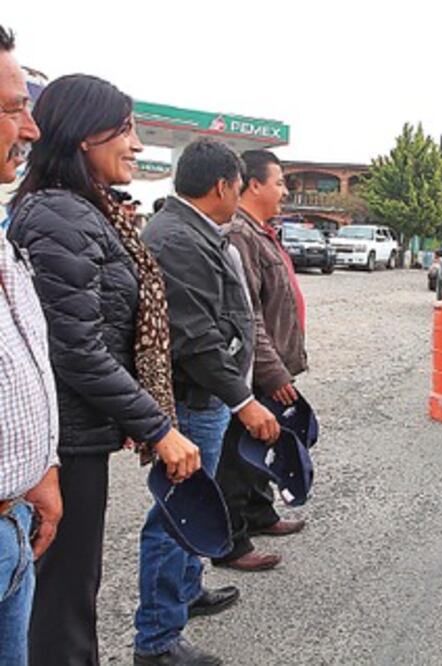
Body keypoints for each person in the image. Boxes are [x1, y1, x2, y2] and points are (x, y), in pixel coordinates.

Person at [7, 71, 202, 665]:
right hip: (64, 442)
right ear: (82, 137)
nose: (138, 145)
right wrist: (158, 427)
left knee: (69, 595)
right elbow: (79, 349)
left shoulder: (90, 212)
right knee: (61, 608)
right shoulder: (61, 216)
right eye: (124, 130)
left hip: (78, 437)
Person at [134, 138, 280, 665]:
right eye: (239, 187)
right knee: (176, 518)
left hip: (206, 398)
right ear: (222, 186)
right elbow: (195, 338)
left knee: (194, 513)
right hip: (195, 400)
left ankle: (185, 590)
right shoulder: (177, 239)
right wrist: (244, 401)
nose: (239, 196)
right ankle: (156, 642)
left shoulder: (196, 231)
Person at [214, 150, 307, 571]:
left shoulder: (261, 232)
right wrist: (272, 372)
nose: (284, 191)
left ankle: (258, 512)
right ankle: (231, 541)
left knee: (261, 447)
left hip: (268, 368)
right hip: (252, 371)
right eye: (280, 182)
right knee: (236, 455)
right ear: (253, 185)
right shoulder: (240, 236)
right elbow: (248, 314)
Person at [0, 25, 61, 666]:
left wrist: (38, 469)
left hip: (15, 521)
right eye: (15, 109)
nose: (31, 130)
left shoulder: (4, 239)